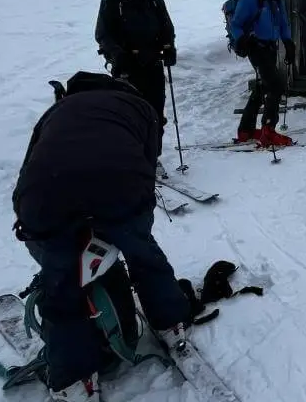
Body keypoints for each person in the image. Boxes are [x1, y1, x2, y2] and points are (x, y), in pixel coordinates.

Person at [12, 71, 191, 401]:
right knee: (141, 251)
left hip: (44, 192)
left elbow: (29, 166)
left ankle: (73, 377)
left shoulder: (55, 112)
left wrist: (41, 230)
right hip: (119, 183)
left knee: (61, 283)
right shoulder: (139, 106)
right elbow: (147, 164)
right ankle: (171, 319)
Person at [94, 0, 177, 166]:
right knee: (129, 112)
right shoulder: (113, 1)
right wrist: (117, 54)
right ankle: (129, 156)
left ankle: (152, 157)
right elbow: (103, 34)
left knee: (155, 112)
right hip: (126, 67)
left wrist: (169, 49)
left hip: (152, 64)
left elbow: (167, 29)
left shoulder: (155, 2)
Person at [227, 0, 296, 147]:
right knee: (275, 85)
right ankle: (268, 130)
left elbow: (282, 23)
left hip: (271, 48)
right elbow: (236, 24)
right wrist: (242, 39)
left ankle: (245, 130)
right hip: (256, 48)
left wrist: (288, 42)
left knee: (262, 87)